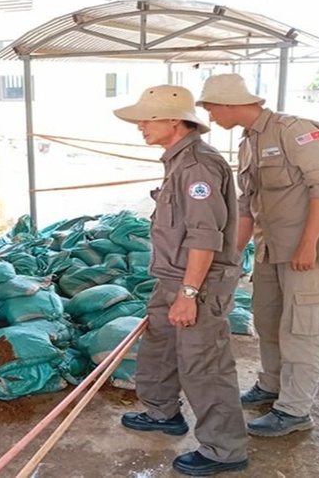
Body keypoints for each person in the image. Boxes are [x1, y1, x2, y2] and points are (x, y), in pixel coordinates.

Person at [197, 74, 319, 437]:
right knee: (267, 321)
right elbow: (246, 207)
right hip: (270, 249)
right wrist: (230, 254)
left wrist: (309, 243)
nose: (210, 115)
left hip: (306, 252)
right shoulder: (248, 143)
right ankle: (271, 384)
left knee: (302, 329)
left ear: (230, 103)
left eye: (211, 106)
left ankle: (294, 411)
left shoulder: (295, 130)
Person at [114, 85, 249, 476]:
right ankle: (162, 413)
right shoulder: (178, 160)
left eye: (148, 117)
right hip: (173, 278)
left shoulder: (197, 166)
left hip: (198, 283)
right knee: (159, 348)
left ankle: (225, 450)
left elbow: (204, 236)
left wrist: (189, 294)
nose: (141, 125)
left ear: (175, 120)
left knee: (204, 365)